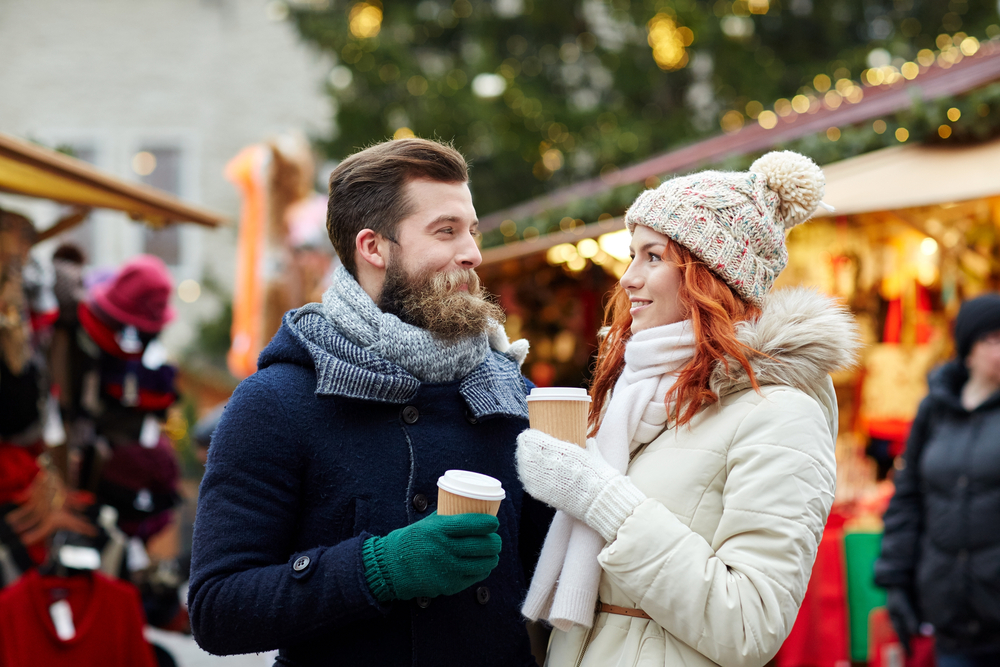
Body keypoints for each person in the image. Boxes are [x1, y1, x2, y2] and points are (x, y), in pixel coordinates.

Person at [188, 138, 553, 666]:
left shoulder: (512, 395)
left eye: (471, 231)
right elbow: (218, 609)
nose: (472, 253)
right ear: (373, 247)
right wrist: (382, 567)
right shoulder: (277, 400)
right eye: (445, 231)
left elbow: (557, 588)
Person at [515, 152, 860, 667]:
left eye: (652, 257)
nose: (628, 279)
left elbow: (749, 626)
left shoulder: (782, 413)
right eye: (632, 256)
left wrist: (602, 498)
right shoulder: (636, 397)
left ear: (713, 274)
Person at [875, 293, 1000, 667]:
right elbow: (907, 499)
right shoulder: (935, 409)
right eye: (991, 339)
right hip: (949, 611)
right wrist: (896, 581)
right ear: (968, 348)